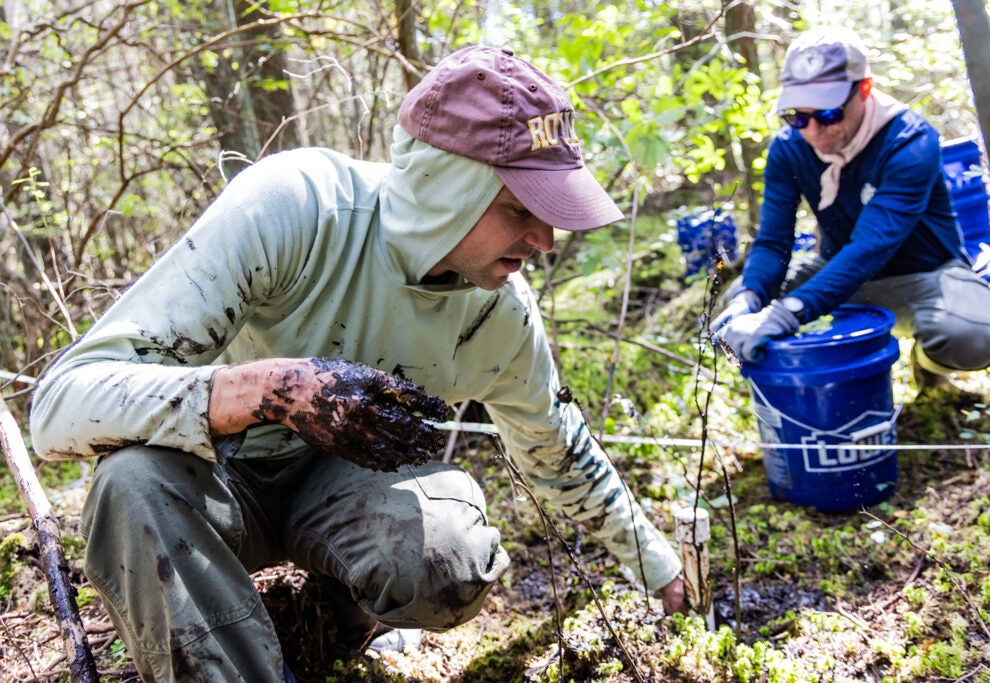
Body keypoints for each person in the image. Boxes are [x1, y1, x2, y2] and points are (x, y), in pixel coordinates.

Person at [28, 46, 688, 681]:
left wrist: (661, 568)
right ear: (445, 189)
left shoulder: (497, 315)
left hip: (346, 499)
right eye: (520, 210)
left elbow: (558, 451)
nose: (545, 240)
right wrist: (269, 388)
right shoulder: (299, 209)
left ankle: (336, 623)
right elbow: (59, 405)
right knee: (130, 484)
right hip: (214, 483)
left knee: (451, 550)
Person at [712, 27, 990, 386]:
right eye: (797, 116)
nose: (813, 131)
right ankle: (812, 392)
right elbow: (774, 242)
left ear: (864, 89)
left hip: (926, 275)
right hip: (838, 270)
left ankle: (930, 370)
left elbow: (872, 246)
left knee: (973, 336)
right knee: (741, 299)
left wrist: (788, 312)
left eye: (827, 114)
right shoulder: (789, 148)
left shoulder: (910, 142)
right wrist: (751, 297)